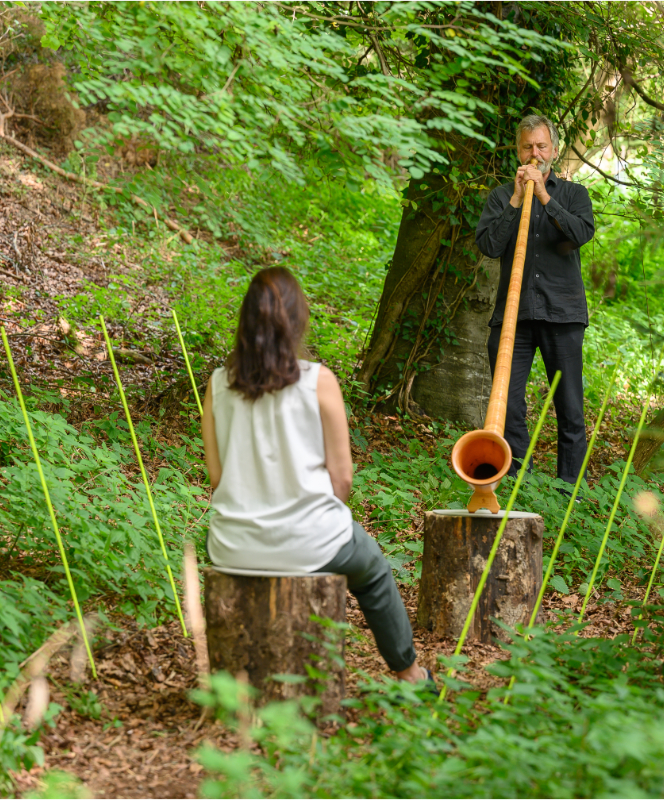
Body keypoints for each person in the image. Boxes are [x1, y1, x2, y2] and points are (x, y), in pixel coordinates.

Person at [201, 266, 428, 684]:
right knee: (374, 570)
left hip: (233, 545)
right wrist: (313, 521)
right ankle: (410, 674)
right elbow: (342, 479)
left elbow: (217, 479)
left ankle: (239, 686)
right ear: (297, 320)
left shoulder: (218, 385)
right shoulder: (318, 381)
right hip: (311, 541)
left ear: (245, 320)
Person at [475, 113, 596, 485]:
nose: (534, 154)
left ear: (554, 151)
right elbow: (489, 245)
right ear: (518, 151)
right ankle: (516, 483)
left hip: (563, 314)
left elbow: (581, 233)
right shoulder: (501, 196)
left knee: (570, 407)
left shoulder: (574, 195)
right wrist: (516, 199)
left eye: (542, 146)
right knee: (508, 405)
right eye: (528, 147)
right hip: (515, 317)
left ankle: (570, 491)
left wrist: (543, 195)